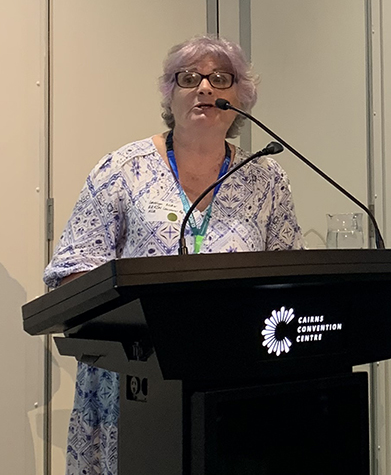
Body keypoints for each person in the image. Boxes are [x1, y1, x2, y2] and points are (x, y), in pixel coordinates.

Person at [44, 34, 304, 475]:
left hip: (237, 378)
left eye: (221, 78)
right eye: (189, 78)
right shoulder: (122, 170)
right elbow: (71, 274)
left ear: (240, 97)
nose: (205, 88)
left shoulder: (266, 176)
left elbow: (290, 270)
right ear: (171, 94)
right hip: (137, 380)